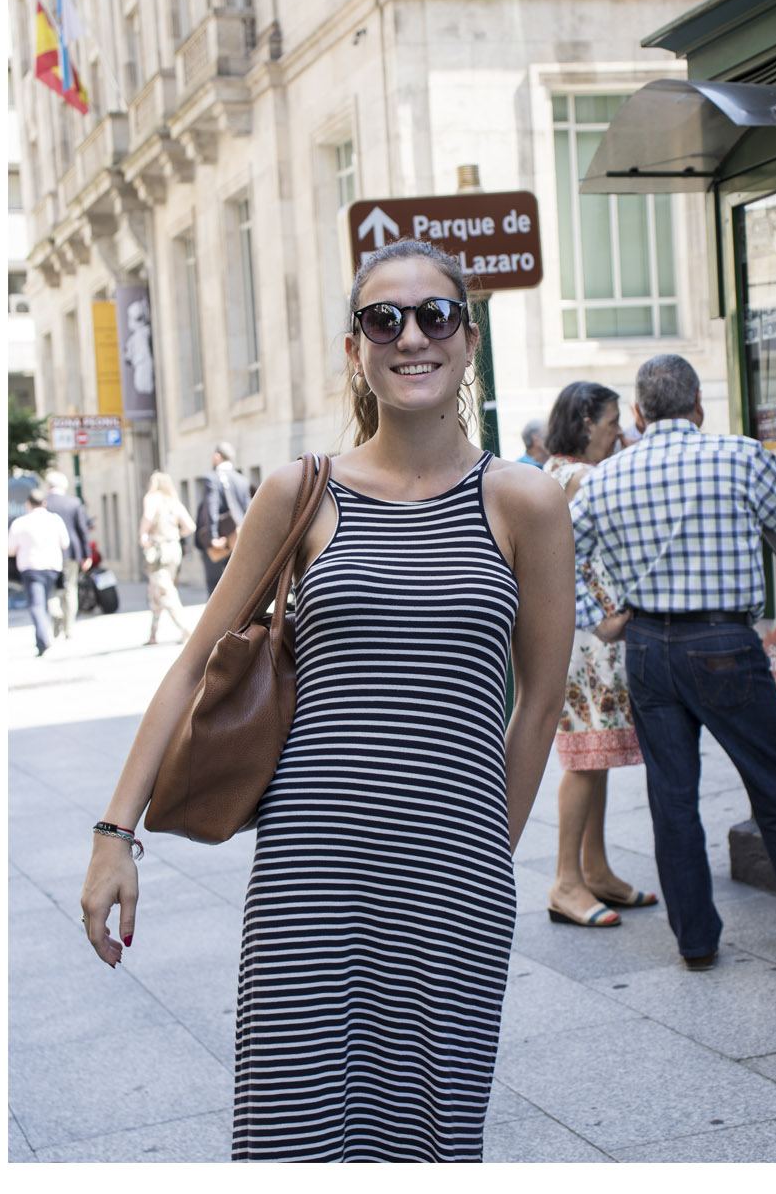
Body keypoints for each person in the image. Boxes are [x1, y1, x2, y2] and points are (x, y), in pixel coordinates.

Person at [80, 238, 574, 1161]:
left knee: (429, 1138)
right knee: (291, 1133)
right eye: (383, 319)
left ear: (467, 340)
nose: (410, 336)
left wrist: (483, 852)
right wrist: (114, 838)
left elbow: (539, 706)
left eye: (434, 315)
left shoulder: (525, 502)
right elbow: (192, 667)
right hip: (310, 869)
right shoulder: (300, 493)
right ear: (355, 349)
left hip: (453, 878)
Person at [569, 353, 776, 972]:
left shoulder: (607, 478)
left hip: (645, 647)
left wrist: (599, 617)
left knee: (672, 799)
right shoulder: (740, 456)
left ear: (639, 414)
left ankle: (696, 943)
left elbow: (557, 553)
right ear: (698, 405)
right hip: (724, 643)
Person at [539, 382, 653, 929]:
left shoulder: (554, 472)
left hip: (580, 636)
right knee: (585, 759)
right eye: (611, 421)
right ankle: (566, 881)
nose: (619, 430)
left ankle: (596, 869)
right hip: (589, 639)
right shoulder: (583, 477)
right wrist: (605, 615)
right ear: (586, 422)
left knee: (594, 754)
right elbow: (571, 562)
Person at [8, 486, 71, 657]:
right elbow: (65, 543)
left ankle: (43, 640)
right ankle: (52, 618)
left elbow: (10, 550)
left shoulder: (20, 522)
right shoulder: (55, 520)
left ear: (28, 504)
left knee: (36, 604)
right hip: (52, 567)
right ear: (44, 503)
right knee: (45, 599)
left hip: (31, 568)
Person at [138, 471, 195, 646]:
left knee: (164, 590)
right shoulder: (173, 501)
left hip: (159, 550)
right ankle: (153, 634)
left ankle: (187, 629)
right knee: (156, 591)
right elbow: (190, 526)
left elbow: (147, 519)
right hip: (174, 549)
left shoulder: (152, 498)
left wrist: (143, 535)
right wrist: (176, 534)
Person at [195, 442, 252, 594]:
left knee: (214, 587)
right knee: (236, 585)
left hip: (219, 540)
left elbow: (211, 509)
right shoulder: (242, 480)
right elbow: (248, 510)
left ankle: (216, 618)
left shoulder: (211, 479)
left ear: (217, 456)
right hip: (237, 539)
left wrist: (213, 537)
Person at [42, 469, 91, 640]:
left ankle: (56, 612)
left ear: (48, 485)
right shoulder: (73, 502)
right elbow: (82, 530)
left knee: (53, 589)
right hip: (71, 552)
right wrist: (87, 555)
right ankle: (69, 627)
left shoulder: (43, 503)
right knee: (71, 588)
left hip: (48, 553)